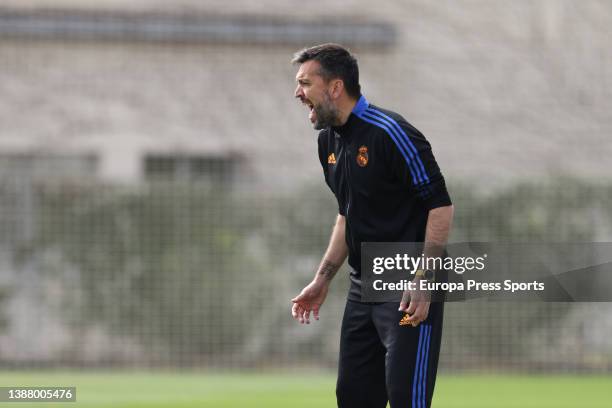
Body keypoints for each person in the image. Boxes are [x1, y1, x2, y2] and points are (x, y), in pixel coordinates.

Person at [290, 43, 454, 408]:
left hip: (408, 285)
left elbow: (440, 207)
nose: (298, 93)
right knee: (353, 397)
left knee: (405, 398)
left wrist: (424, 279)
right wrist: (322, 278)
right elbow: (347, 213)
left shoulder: (392, 133)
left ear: (335, 87)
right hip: (362, 287)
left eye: (305, 82)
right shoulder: (327, 142)